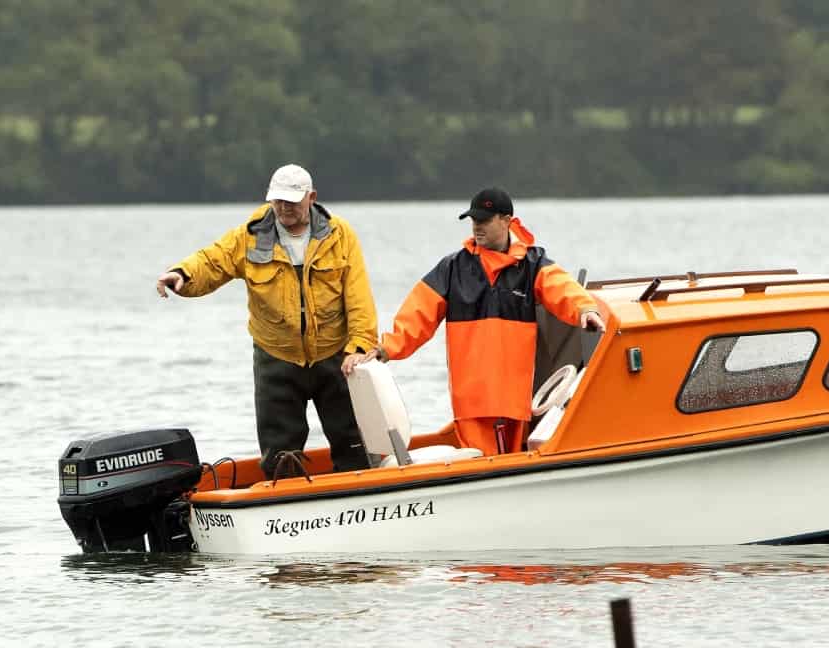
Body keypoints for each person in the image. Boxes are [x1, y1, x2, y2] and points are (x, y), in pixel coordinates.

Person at [156, 164, 380, 476]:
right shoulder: (249, 236)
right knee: (280, 454)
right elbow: (213, 261)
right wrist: (182, 273)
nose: (284, 208)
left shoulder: (341, 235)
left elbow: (359, 299)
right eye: (278, 200)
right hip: (276, 358)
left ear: (311, 197)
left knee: (353, 442)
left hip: (336, 355)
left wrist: (359, 347)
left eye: (292, 200)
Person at [343, 187, 602, 455]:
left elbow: (563, 289)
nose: (477, 227)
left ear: (506, 220)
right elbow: (417, 314)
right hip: (472, 399)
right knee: (484, 461)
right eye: (474, 221)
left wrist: (585, 310)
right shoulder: (452, 268)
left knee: (506, 463)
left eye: (484, 220)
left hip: (513, 398)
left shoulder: (533, 265)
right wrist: (385, 349)